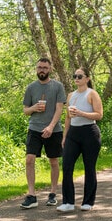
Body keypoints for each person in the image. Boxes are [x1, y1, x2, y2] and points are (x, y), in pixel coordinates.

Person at [20, 57, 66, 209]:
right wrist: (34, 108)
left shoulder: (57, 86)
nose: (42, 70)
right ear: (36, 69)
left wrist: (51, 127)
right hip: (34, 128)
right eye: (39, 67)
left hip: (54, 129)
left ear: (50, 69)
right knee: (29, 159)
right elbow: (26, 111)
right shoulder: (31, 88)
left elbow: (60, 109)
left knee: (53, 161)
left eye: (45, 68)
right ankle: (32, 195)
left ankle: (52, 194)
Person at [57, 67, 103, 212]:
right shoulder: (71, 95)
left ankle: (88, 202)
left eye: (80, 76)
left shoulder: (92, 94)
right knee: (67, 165)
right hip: (73, 133)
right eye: (74, 76)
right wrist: (65, 136)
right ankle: (68, 202)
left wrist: (81, 113)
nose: (76, 78)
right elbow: (67, 117)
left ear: (87, 78)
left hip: (90, 132)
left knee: (89, 167)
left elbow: (99, 115)